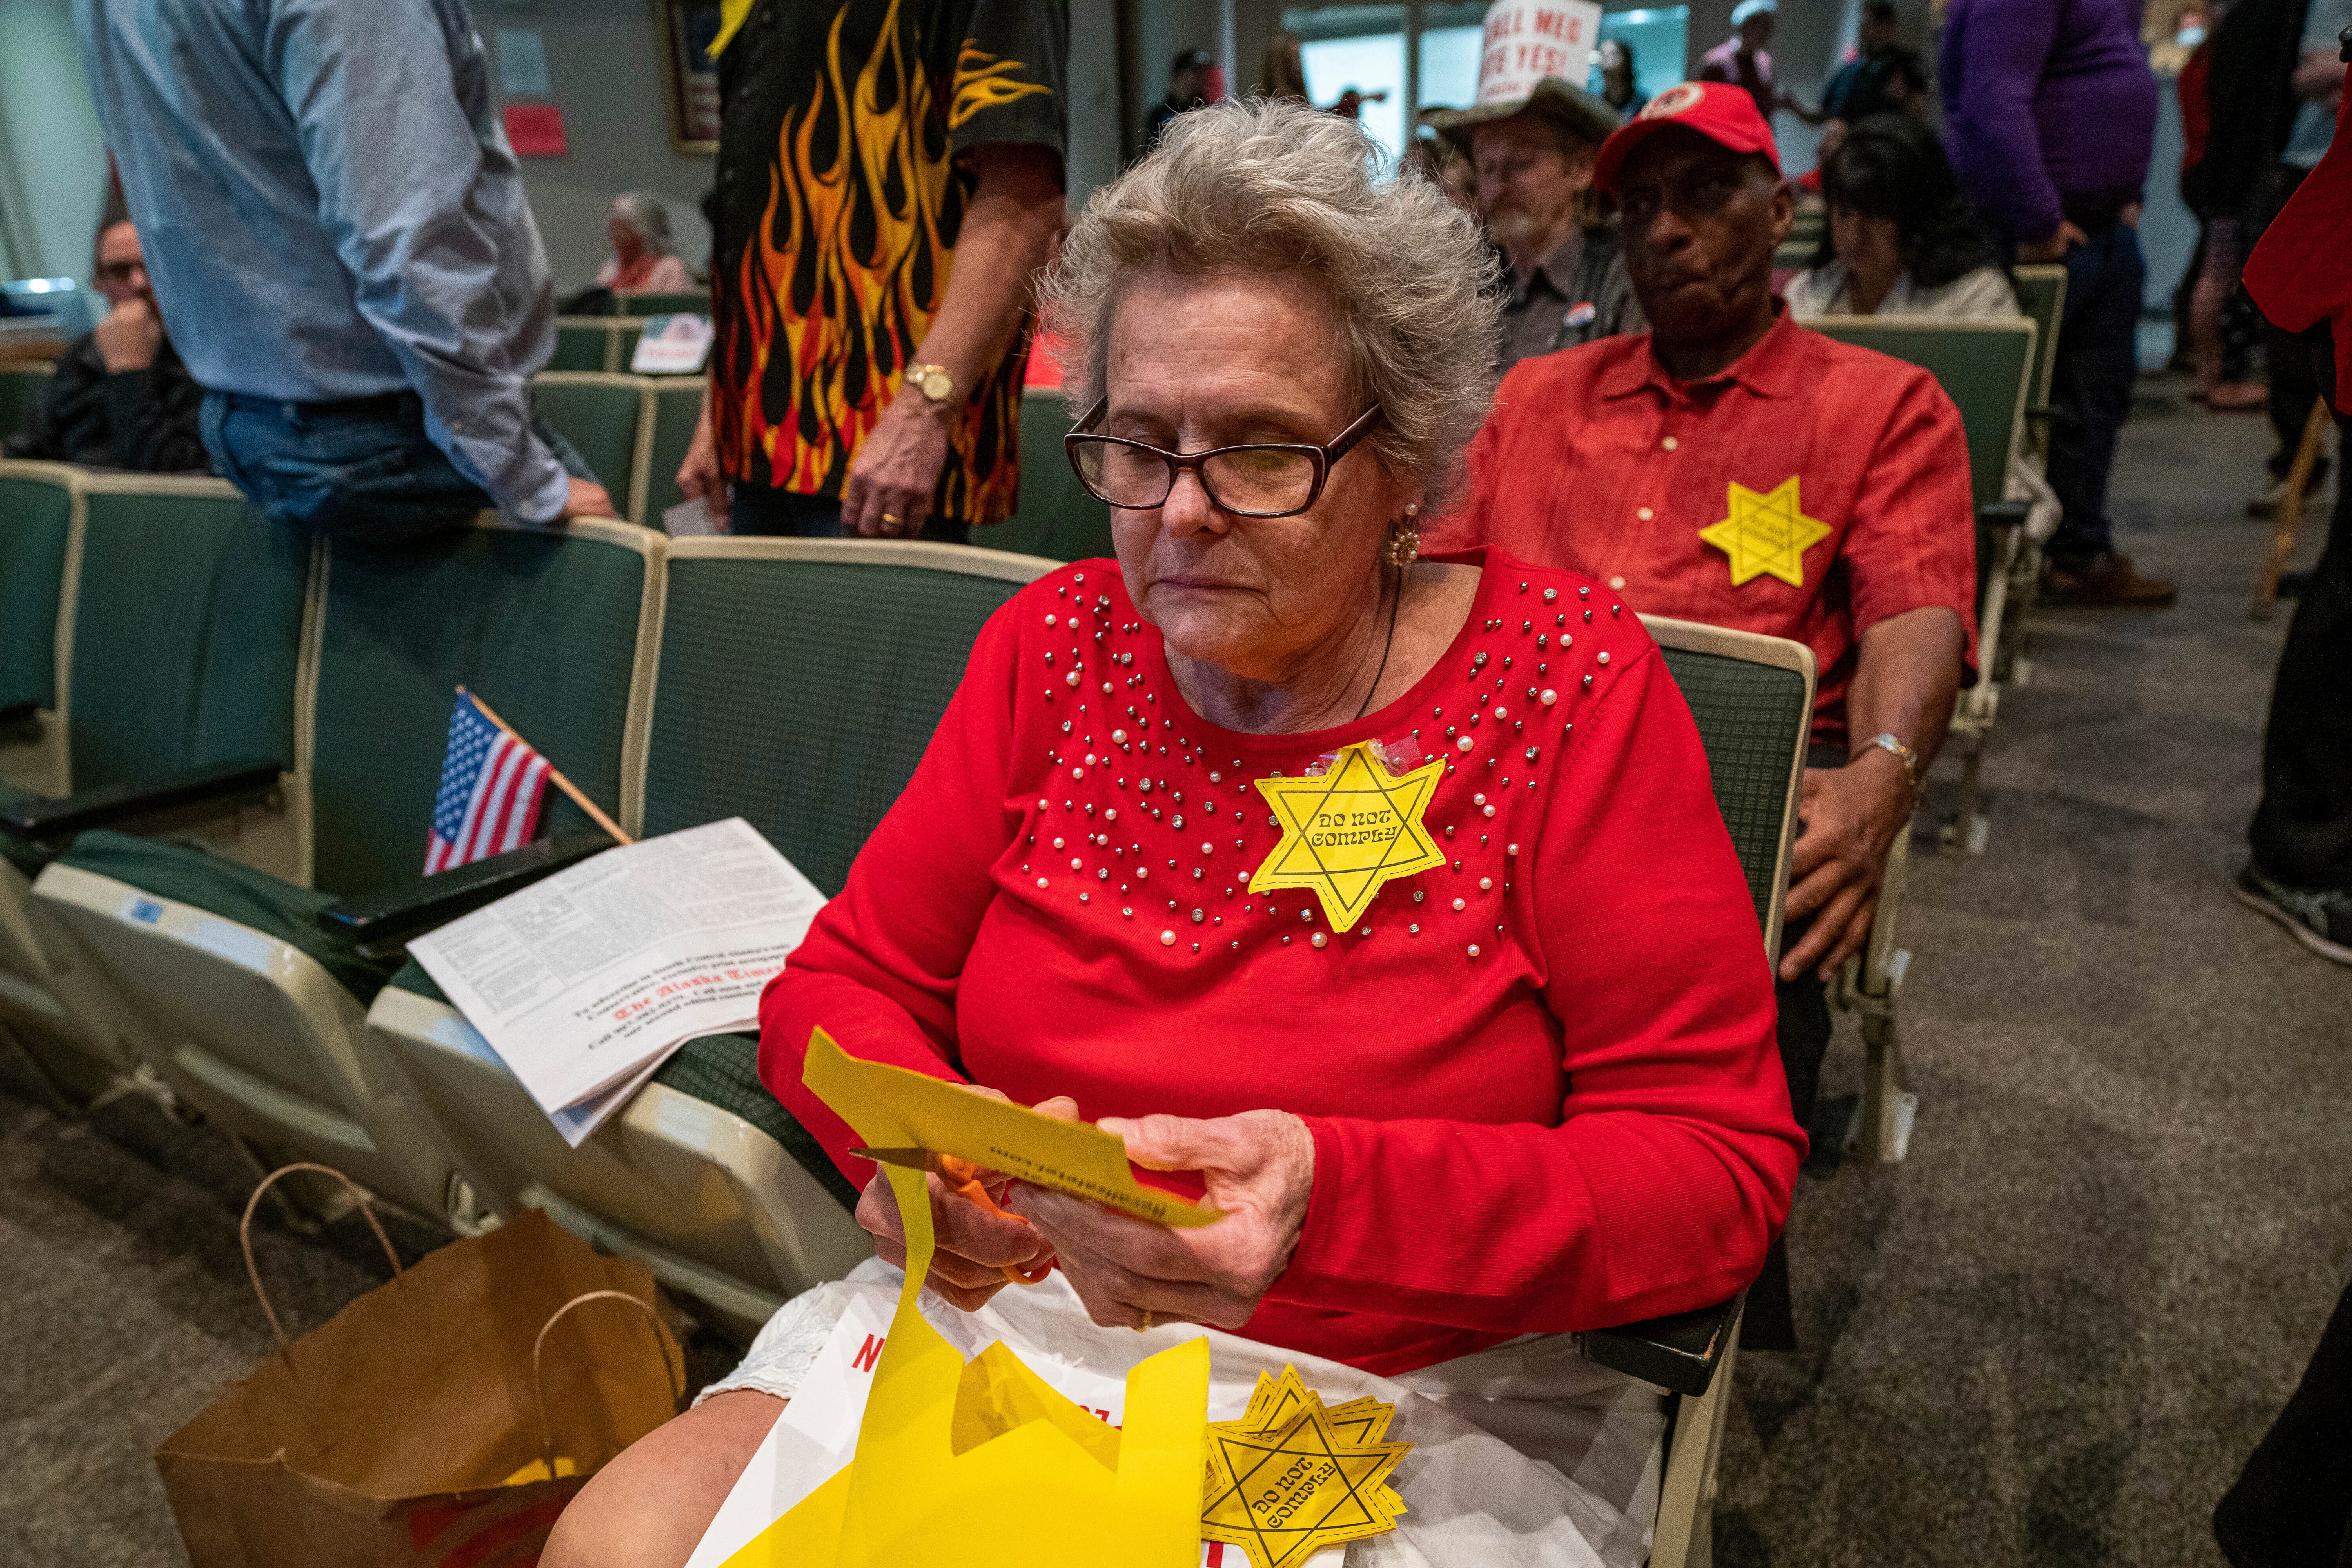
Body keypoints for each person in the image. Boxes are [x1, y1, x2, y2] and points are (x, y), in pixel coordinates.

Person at [544, 99, 1804, 1568]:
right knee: (611, 1547)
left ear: (1402, 461)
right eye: (1140, 446)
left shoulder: (1562, 680)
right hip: (1011, 1317)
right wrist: (916, 1168)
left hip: (1397, 1379)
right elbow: (839, 991)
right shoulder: (1054, 646)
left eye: (1263, 452)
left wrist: (1331, 1202)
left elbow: (1712, 1169)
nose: (1181, 514)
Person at [1424, 82, 1976, 1345]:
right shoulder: (1534, 399)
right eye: (1636, 206)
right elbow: (1433, 590)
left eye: (1702, 193)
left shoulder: (1879, 406)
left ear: (1780, 212)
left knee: (1727, 1007)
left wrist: (1882, 772)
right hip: (1490, 797)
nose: (1662, 229)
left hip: (1724, 838)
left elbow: (1914, 604)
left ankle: (1661, 1345)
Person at [76, 0, 617, 542]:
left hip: (255, 430)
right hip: (396, 433)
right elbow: (408, 239)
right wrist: (522, 476)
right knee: (637, 616)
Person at [676, 0, 1067, 542]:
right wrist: (716, 410)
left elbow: (1024, 195)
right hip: (755, 439)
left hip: (882, 442)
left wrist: (922, 411)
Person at [1941, 0, 2173, 607]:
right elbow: (1992, 104)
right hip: (2040, 235)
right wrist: (2040, 214)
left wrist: (2127, 192)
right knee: (2017, 411)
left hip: (2097, 227)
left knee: (2094, 401)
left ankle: (2077, 554)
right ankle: (2000, 573)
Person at [1425, 77, 1641, 370]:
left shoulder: (1624, 279)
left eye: (1522, 162)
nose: (1500, 183)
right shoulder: (1463, 288)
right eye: (1487, 166)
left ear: (1580, 168)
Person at [4, 216, 205, 472]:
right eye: (121, 271)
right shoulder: (84, 355)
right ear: (99, 283)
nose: (139, 283)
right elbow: (31, 449)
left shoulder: (208, 361)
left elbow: (168, 476)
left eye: (152, 266)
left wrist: (130, 372)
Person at [1785, 114, 2016, 318]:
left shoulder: (1975, 296)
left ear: (1921, 213)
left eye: (1875, 215)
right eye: (1844, 213)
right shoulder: (1803, 295)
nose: (1855, 236)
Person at [1817, 3, 1927, 132]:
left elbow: (1923, 108)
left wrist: (1906, 97)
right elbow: (1825, 113)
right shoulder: (1853, 70)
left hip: (1887, 141)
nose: (1863, 30)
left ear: (1885, 25)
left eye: (1868, 23)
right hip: (1856, 143)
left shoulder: (1907, 63)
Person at [594, 191, 695, 294]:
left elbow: (676, 307)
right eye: (614, 229)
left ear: (643, 232)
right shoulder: (609, 271)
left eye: (622, 229)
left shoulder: (670, 268)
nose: (615, 235)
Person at [1699, 0, 1782, 125]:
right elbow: (1705, 109)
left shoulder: (1765, 61)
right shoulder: (1715, 62)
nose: (1768, 33)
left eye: (1770, 27)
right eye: (1762, 26)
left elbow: (1763, 108)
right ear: (1746, 25)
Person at [1143, 47, 1213, 149]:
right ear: (1178, 78)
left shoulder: (1209, 111)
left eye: (1201, 75)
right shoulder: (1160, 115)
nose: (1196, 81)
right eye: (1192, 74)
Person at [1597, 37, 1646, 118]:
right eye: (1603, 56)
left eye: (1613, 55)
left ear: (1625, 63)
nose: (1607, 62)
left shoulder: (1642, 104)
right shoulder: (1597, 104)